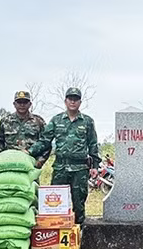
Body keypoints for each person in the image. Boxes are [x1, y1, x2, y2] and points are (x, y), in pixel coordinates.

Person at [29, 87, 100, 224]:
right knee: (56, 205)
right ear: (65, 101)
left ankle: (79, 233)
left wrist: (95, 166)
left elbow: (93, 144)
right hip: (61, 168)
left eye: (76, 99)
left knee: (79, 204)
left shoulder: (87, 121)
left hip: (79, 169)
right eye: (70, 99)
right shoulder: (56, 120)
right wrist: (30, 152)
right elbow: (45, 140)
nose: (73, 102)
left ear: (80, 102)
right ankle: (58, 234)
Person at [0, 90, 48, 167]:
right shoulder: (5, 121)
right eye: (19, 102)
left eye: (25, 102)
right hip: (9, 164)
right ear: (14, 104)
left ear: (30, 104)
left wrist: (40, 161)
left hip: (31, 164)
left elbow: (46, 142)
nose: (22, 105)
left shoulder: (38, 121)